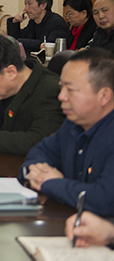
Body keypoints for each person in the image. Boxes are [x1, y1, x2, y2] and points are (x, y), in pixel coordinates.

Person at [21, 48, 114, 217]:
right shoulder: (73, 123)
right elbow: (39, 152)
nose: (61, 96)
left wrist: (52, 183)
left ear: (104, 96)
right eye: (61, 87)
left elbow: (104, 200)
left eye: (70, 90)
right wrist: (36, 173)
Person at [7, 0, 71, 53]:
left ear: (43, 5)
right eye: (25, 4)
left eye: (29, 4)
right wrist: (15, 22)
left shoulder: (57, 22)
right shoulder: (33, 22)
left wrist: (19, 41)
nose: (25, 9)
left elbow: (50, 46)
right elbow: (14, 40)